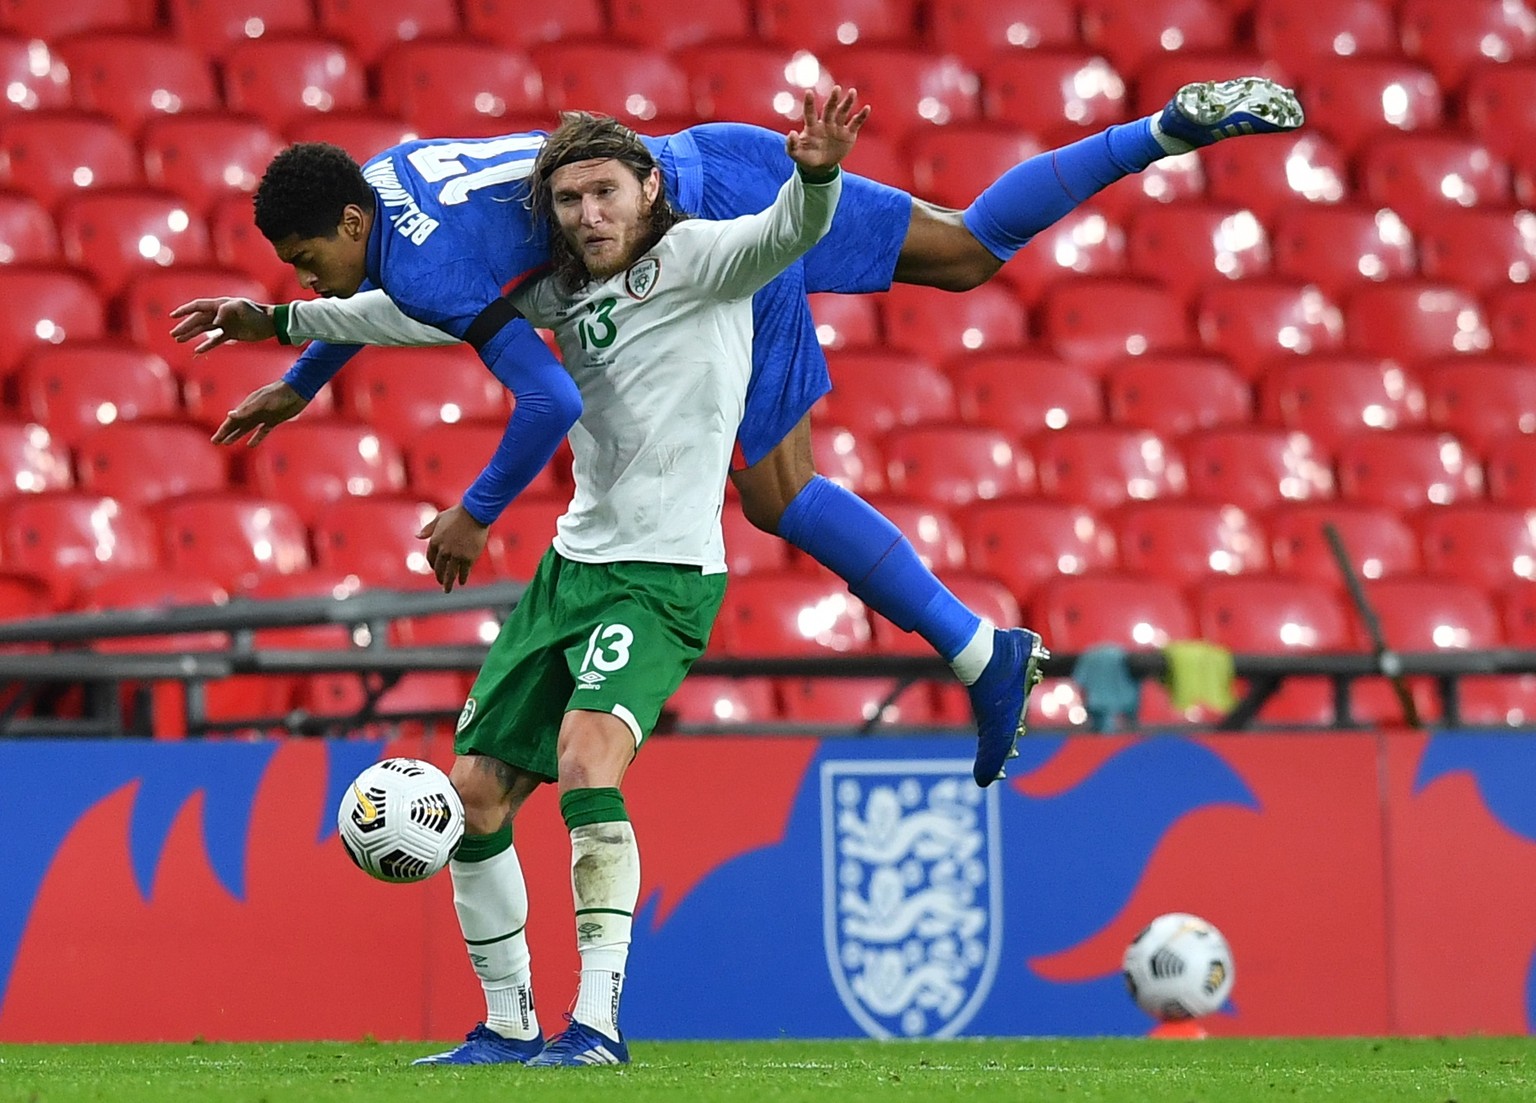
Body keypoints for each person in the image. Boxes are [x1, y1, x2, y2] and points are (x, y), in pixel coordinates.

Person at [170, 76, 1304, 786]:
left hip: (682, 229)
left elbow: (528, 382)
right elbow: (398, 282)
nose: (307, 273)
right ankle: (1163, 128)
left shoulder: (411, 256)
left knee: (773, 495)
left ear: (348, 222)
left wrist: (472, 509)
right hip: (713, 152)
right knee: (963, 252)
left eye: (304, 255)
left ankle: (977, 649)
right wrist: (300, 364)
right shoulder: (386, 181)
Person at [390, 89, 859, 1067]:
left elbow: (787, 231)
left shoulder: (701, 260)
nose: (588, 215)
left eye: (604, 191)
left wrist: (815, 174)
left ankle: (596, 1024)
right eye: (567, 201)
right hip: (571, 568)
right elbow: (417, 315)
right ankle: (507, 1024)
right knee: (475, 789)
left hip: (664, 576)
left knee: (584, 758)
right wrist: (285, 318)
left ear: (650, 187)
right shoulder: (558, 293)